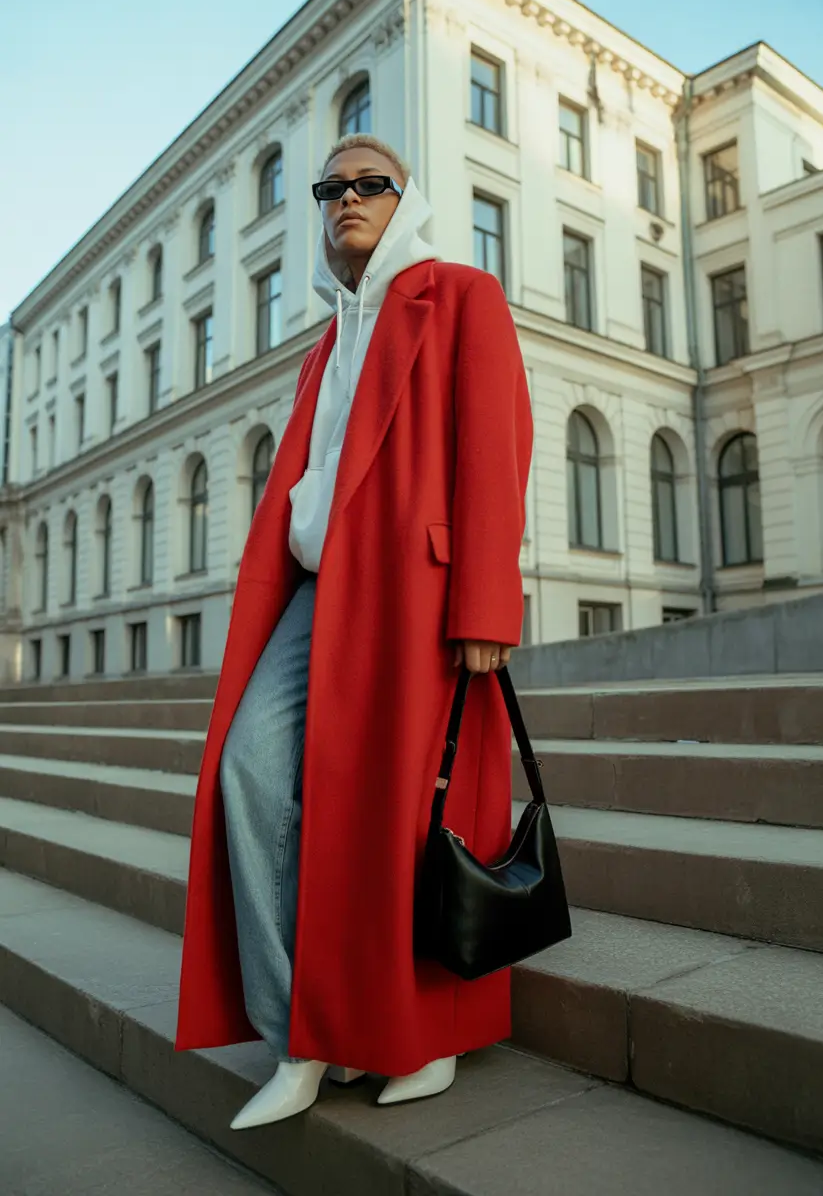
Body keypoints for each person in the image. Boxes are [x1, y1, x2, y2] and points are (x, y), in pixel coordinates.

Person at [175, 134, 533, 1129]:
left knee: (400, 819)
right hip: (315, 593)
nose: (345, 199)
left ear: (405, 199)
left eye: (369, 183)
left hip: (414, 593)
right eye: (330, 188)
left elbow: (495, 450)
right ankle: (305, 1030)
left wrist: (484, 607)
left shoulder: (459, 296)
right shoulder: (327, 342)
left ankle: (421, 1035)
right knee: (250, 769)